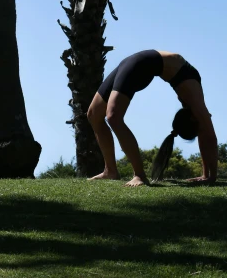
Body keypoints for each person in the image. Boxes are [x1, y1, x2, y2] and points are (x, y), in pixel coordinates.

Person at [87, 50, 218, 186]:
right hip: (140, 62)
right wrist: (211, 176)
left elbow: (204, 133)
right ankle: (118, 172)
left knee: (106, 116)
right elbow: (208, 135)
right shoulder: (195, 101)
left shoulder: (192, 104)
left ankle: (130, 174)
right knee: (96, 115)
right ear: (192, 120)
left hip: (140, 61)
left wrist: (205, 175)